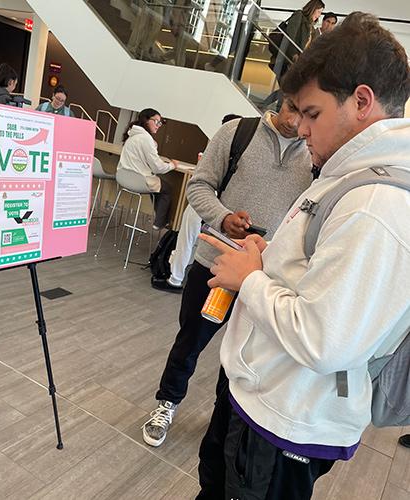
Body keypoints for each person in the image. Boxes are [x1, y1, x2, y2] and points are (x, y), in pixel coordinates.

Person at [197, 12, 410, 499]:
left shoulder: (377, 203)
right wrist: (270, 259)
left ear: (361, 101)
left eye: (312, 113)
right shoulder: (351, 175)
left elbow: (326, 338)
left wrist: (250, 279)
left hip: (288, 417)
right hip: (266, 397)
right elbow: (325, 279)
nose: (301, 128)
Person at [142, 99, 314, 447]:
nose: (295, 122)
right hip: (216, 265)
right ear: (282, 98)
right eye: (291, 108)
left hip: (267, 279)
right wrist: (222, 217)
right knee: (191, 341)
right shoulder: (237, 133)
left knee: (245, 356)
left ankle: (224, 423)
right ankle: (167, 403)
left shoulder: (315, 152)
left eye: (306, 113)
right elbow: (198, 186)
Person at [152, 114, 242, 293]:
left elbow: (203, 181)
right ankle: (184, 274)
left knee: (187, 237)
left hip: (205, 201)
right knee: (198, 241)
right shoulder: (242, 152)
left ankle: (175, 279)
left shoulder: (222, 147)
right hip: (223, 207)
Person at [118, 108, 178, 230]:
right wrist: (172, 165)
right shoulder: (146, 138)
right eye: (156, 121)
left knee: (157, 186)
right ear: (146, 120)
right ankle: (160, 223)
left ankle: (159, 220)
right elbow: (157, 168)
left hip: (123, 177)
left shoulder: (133, 134)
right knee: (166, 188)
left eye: (160, 123)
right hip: (139, 181)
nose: (159, 125)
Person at [265, 0, 325, 108]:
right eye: (318, 11)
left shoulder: (312, 28)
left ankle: (270, 106)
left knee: (288, 90)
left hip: (297, 64)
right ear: (313, 8)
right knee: (288, 90)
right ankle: (269, 106)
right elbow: (290, 36)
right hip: (287, 60)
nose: (319, 15)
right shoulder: (299, 16)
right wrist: (294, 54)